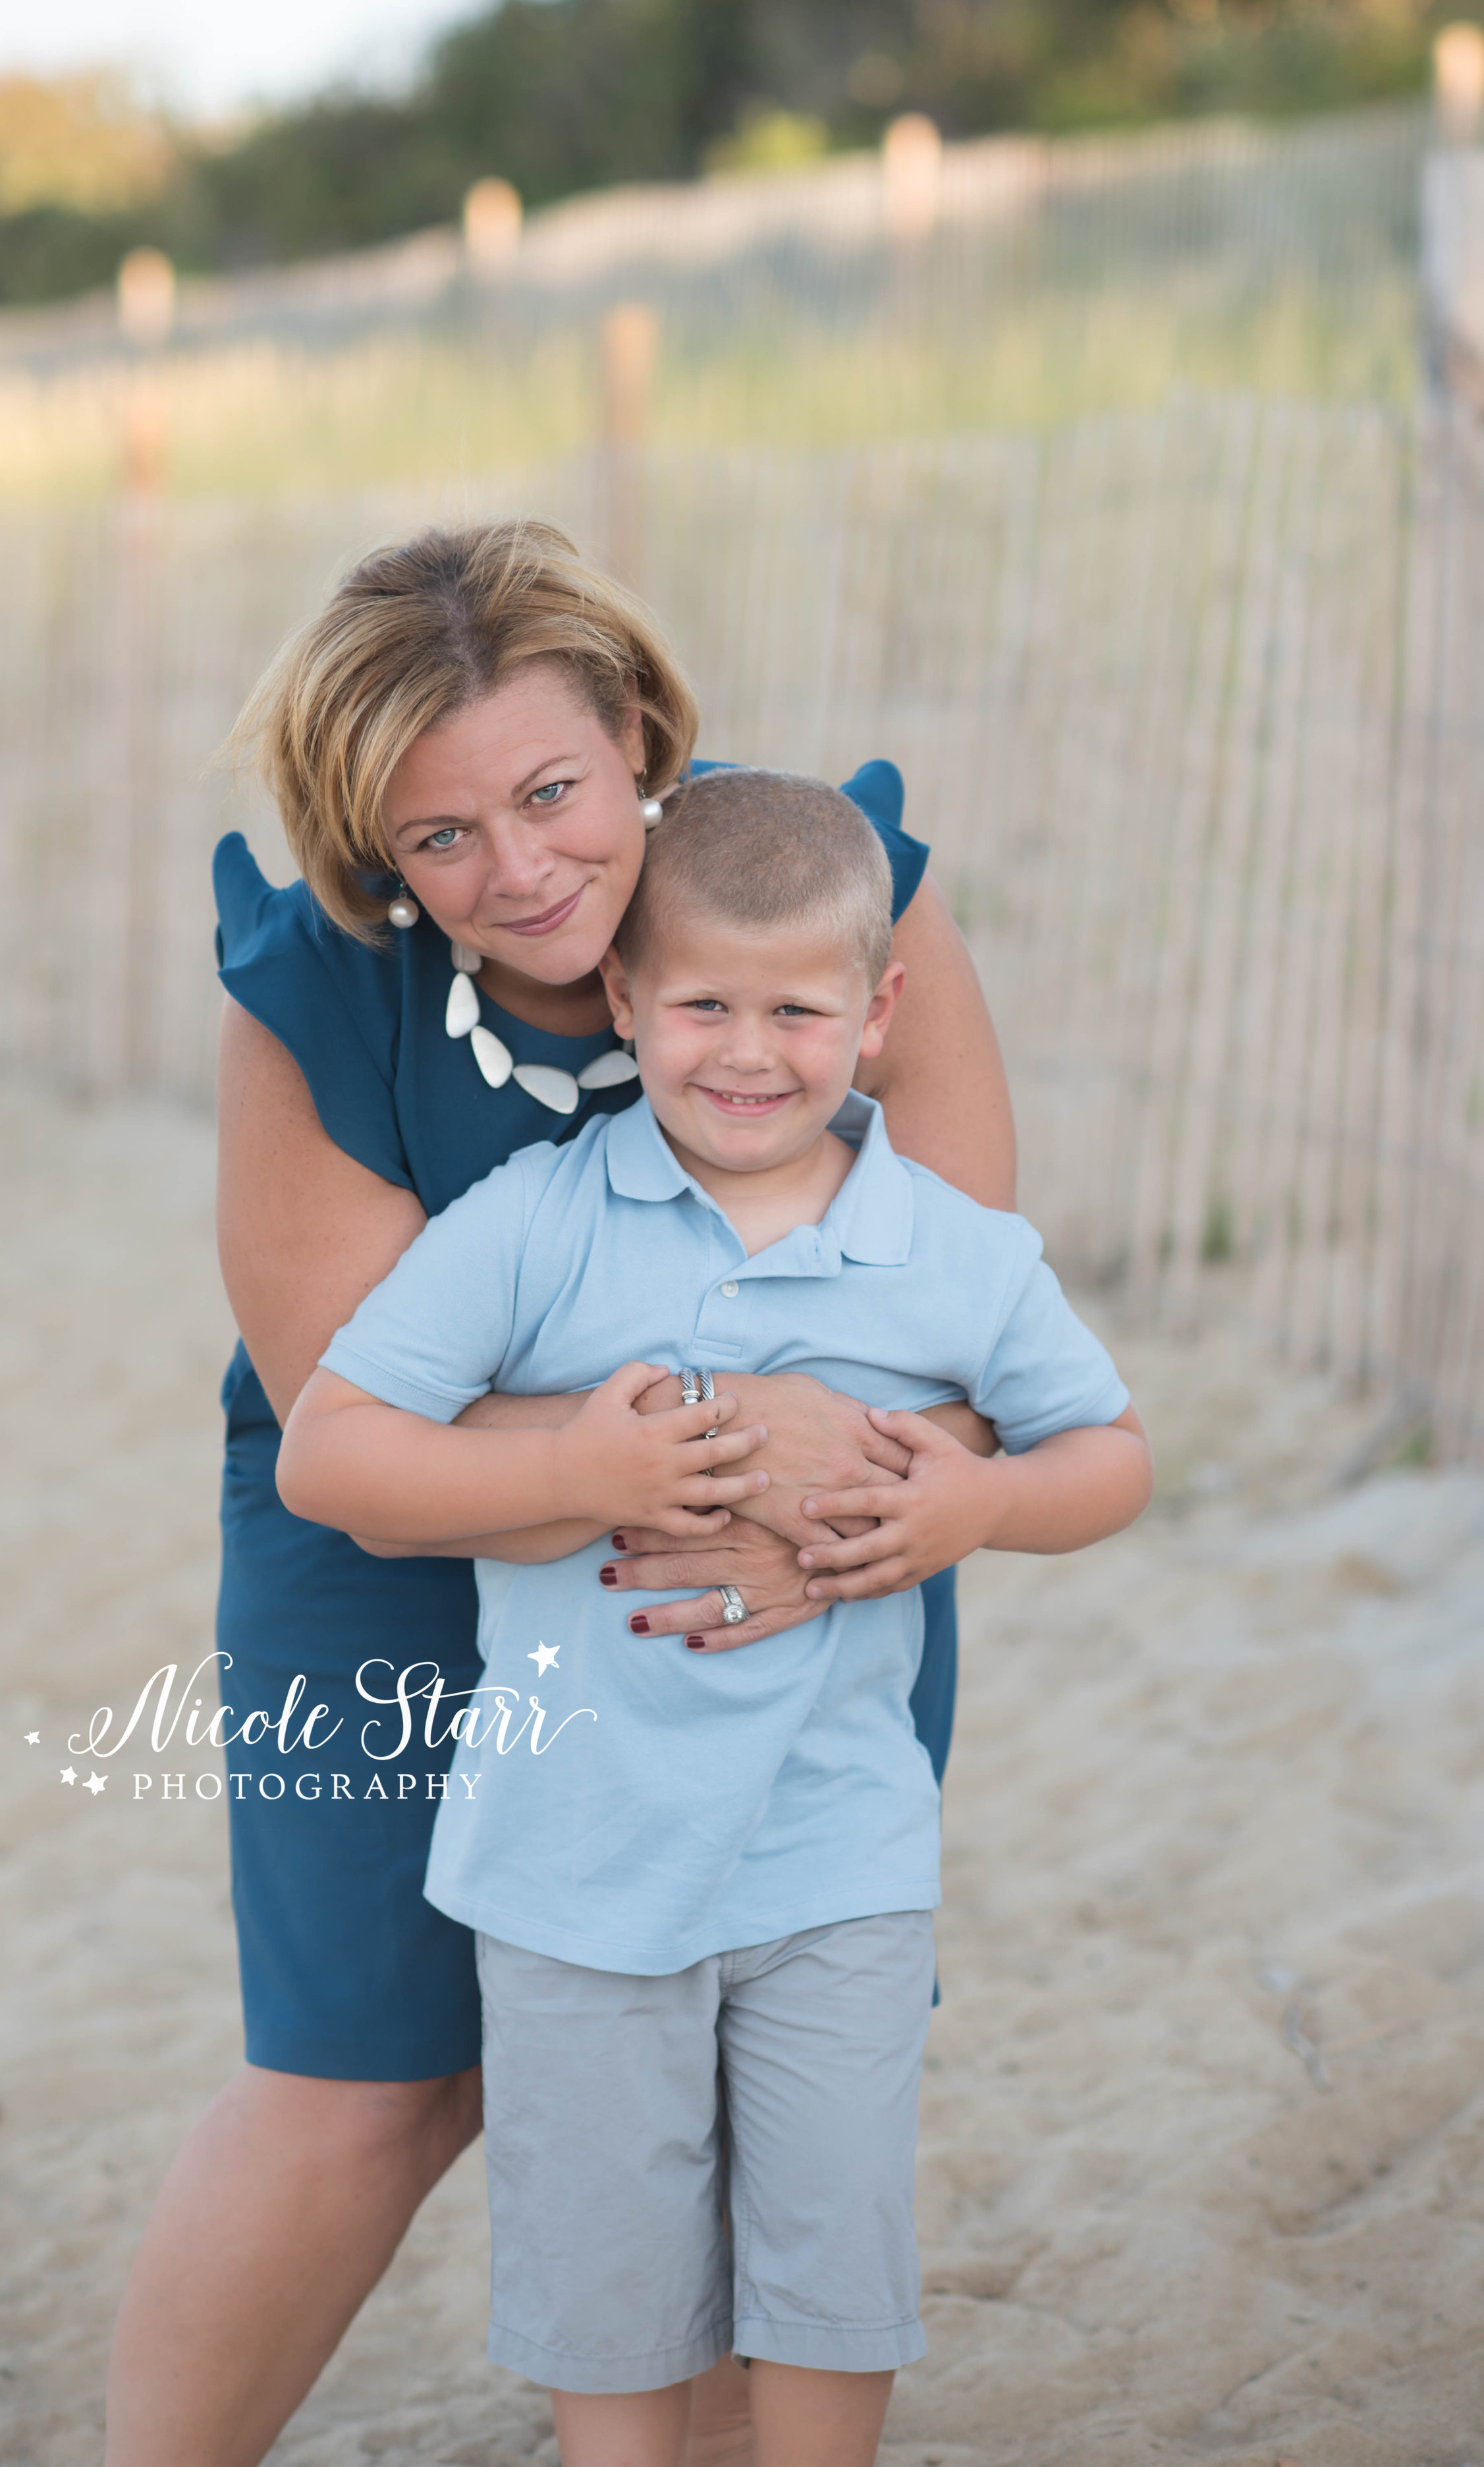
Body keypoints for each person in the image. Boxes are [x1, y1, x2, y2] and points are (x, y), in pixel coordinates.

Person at [103, 520, 1018, 2467]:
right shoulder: (319, 994)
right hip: (383, 1538)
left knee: (729, 2023)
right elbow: (344, 1414)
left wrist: (821, 1505)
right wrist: (710, 1431)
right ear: (374, 850)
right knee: (370, 2066)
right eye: (440, 838)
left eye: (547, 792)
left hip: (790, 1531)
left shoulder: (818, 897)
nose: (516, 870)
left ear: (631, 730)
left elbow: (960, 1304)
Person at [276, 769, 1154, 2467]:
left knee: (831, 2257)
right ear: (623, 998)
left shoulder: (953, 1253)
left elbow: (1109, 1455)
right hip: (574, 1869)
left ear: (879, 1012)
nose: (747, 1052)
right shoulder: (532, 1224)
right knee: (605, 2275)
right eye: (699, 1006)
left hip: (838, 1862)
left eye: (799, 1010)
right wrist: (588, 1459)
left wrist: (979, 1505)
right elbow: (334, 1449)